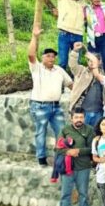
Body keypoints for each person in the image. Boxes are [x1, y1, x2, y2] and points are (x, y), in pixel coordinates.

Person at [28, 26, 73, 166]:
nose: (51, 58)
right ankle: (41, 158)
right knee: (40, 132)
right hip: (40, 106)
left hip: (56, 106)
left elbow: (71, 84)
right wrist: (35, 37)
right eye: (48, 56)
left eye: (53, 56)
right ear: (42, 57)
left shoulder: (59, 70)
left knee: (61, 131)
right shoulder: (37, 68)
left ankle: (61, 157)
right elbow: (30, 54)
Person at [48, 108, 95, 206]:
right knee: (65, 193)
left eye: (81, 117)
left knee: (83, 193)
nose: (79, 120)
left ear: (84, 118)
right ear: (71, 118)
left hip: (83, 167)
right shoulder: (65, 130)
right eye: (76, 117)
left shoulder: (89, 130)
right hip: (67, 168)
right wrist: (68, 151)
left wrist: (79, 151)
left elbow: (93, 149)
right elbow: (57, 148)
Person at [41, 0, 87, 71]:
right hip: (64, 34)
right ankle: (60, 86)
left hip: (78, 35)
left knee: (77, 62)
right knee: (63, 61)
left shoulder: (83, 2)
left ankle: (77, 86)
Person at [69, 43, 105, 128]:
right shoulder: (81, 71)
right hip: (82, 113)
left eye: (94, 60)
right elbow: (72, 65)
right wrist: (75, 51)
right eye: (89, 60)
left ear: (99, 62)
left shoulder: (103, 75)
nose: (91, 62)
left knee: (96, 136)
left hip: (99, 112)